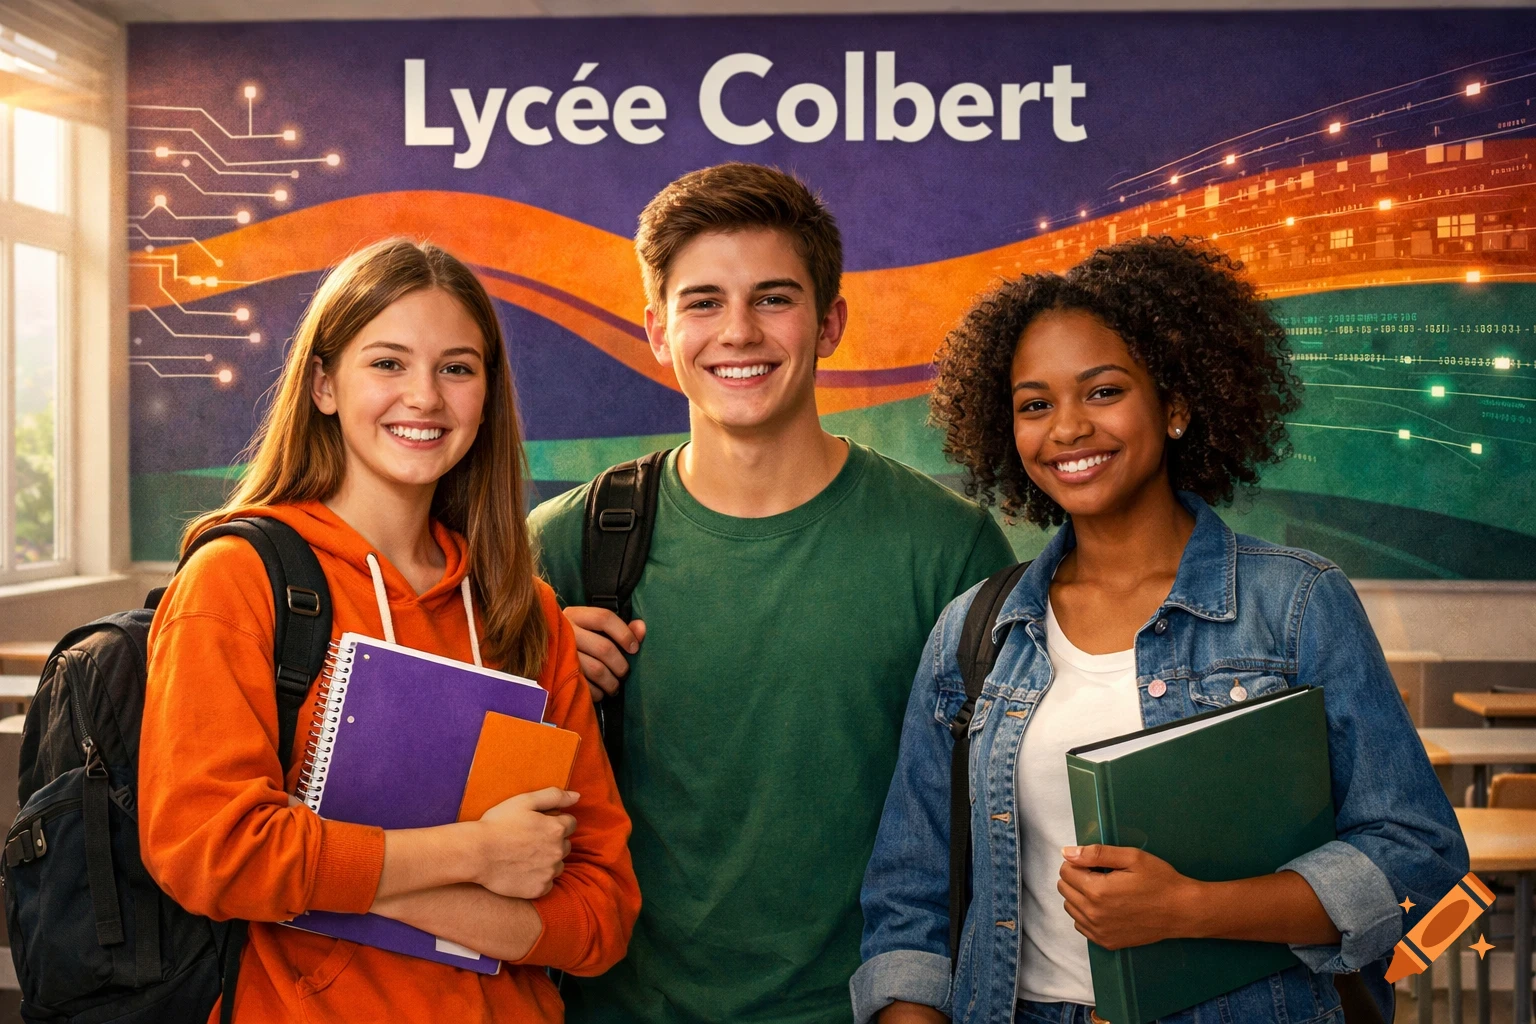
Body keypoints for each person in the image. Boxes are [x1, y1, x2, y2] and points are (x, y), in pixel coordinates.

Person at [854, 237, 1468, 1024]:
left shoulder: (1296, 603)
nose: (1068, 428)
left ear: (1175, 405)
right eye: (1035, 405)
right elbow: (910, 896)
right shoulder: (976, 630)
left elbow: (1418, 856)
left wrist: (1192, 909)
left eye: (1103, 392)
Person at [529, 162, 1016, 1024]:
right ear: (656, 329)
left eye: (774, 298)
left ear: (830, 323)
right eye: (704, 302)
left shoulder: (948, 546)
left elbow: (992, 825)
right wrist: (539, 687)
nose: (740, 332)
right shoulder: (565, 545)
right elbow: (472, 810)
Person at [139, 238, 640, 1023]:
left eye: (457, 368)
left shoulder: (524, 611)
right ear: (323, 385)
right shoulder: (239, 578)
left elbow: (602, 913)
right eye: (388, 363)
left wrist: (359, 885)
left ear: (487, 395)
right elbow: (213, 853)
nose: (426, 398)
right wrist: (473, 857)